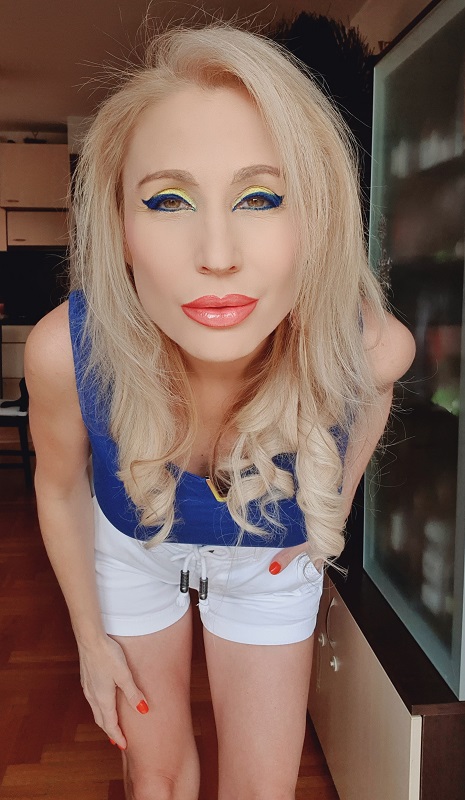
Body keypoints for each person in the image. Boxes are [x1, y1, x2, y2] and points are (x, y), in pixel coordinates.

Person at [25, 22, 415, 800]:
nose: (216, 253)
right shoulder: (65, 352)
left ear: (317, 217)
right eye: (167, 200)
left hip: (268, 563)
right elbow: (59, 486)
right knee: (156, 780)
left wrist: (325, 518)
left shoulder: (371, 348)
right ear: (120, 227)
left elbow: (371, 403)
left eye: (261, 197)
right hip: (132, 552)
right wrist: (88, 639)